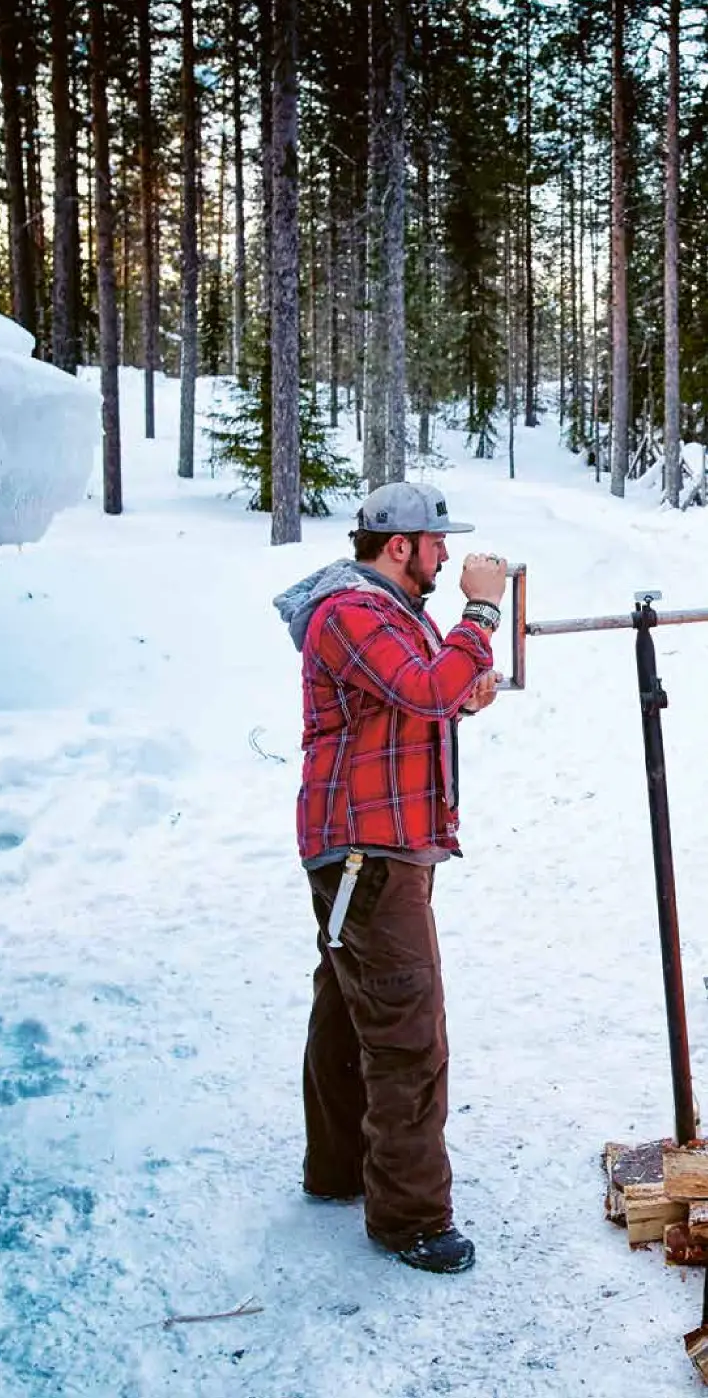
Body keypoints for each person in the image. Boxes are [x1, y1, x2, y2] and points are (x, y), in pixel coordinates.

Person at [272, 481, 507, 1275]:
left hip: (378, 850)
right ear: (398, 546)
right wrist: (480, 615)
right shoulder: (353, 611)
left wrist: (460, 696)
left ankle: (338, 1171)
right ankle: (409, 1217)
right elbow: (422, 686)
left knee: (352, 1005)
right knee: (407, 1029)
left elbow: (419, 698)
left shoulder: (386, 613)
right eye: (436, 542)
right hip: (369, 854)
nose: (446, 555)